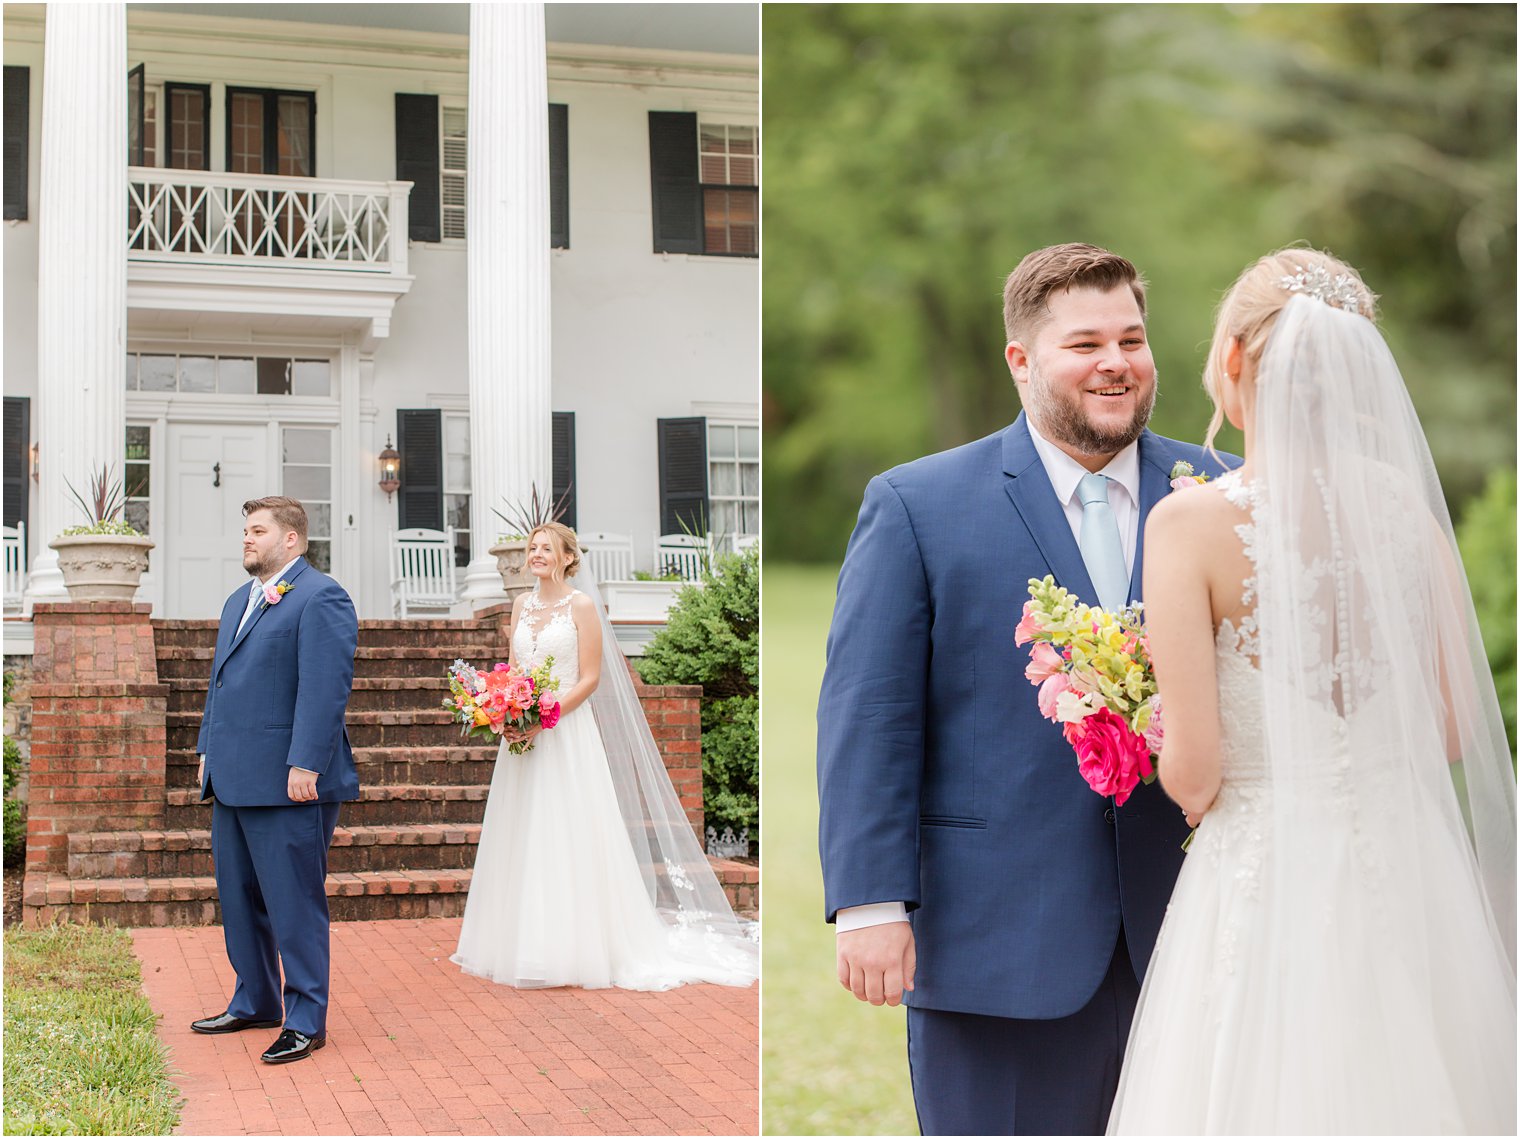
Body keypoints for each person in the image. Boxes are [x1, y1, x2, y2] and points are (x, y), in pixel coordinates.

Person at [817, 243, 1236, 1135]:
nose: (1116, 362)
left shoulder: (1223, 495)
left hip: (1202, 937)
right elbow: (871, 714)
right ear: (1021, 359)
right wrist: (870, 901)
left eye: (1132, 337)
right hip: (993, 945)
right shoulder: (917, 504)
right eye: (1085, 344)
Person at [1108, 248, 1517, 1134]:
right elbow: (1450, 730)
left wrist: (1129, 712)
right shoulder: (1407, 512)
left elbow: (1196, 775)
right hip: (1410, 868)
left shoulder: (1189, 524)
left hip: (1264, 876)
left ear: (1236, 362)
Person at [452, 522, 758, 990]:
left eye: (545, 549)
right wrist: (502, 707)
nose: (535, 555)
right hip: (521, 738)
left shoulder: (582, 606)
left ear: (567, 557)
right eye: (532, 548)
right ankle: (520, 940)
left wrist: (546, 716)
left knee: (567, 831)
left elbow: (590, 679)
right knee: (523, 830)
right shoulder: (521, 604)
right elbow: (514, 670)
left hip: (566, 732)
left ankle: (576, 946)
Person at [191, 496, 359, 1065]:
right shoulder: (239, 599)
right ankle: (255, 1000)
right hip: (232, 776)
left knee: (294, 902)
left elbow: (324, 689)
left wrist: (307, 762)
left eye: (257, 530)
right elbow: (220, 684)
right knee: (239, 900)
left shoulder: (321, 596)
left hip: (291, 780)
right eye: (245, 530)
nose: (246, 539)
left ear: (291, 539)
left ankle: (306, 1019)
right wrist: (206, 749)